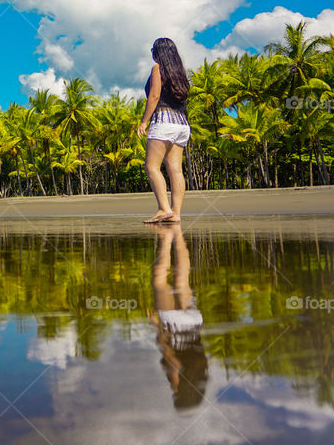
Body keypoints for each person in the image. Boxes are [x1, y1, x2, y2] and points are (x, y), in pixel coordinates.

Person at [147, 222, 207, 410]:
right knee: (159, 281)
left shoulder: (200, 370)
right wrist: (157, 326)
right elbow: (168, 350)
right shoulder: (179, 378)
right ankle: (165, 239)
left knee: (182, 277)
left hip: (194, 322)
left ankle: (179, 237)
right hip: (174, 323)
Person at [136, 38, 191, 224]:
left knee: (151, 166)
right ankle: (175, 213)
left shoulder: (157, 69)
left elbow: (154, 96)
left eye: (153, 50)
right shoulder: (180, 73)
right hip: (182, 124)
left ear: (158, 53)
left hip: (164, 121)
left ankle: (163, 208)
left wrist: (144, 122)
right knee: (176, 170)